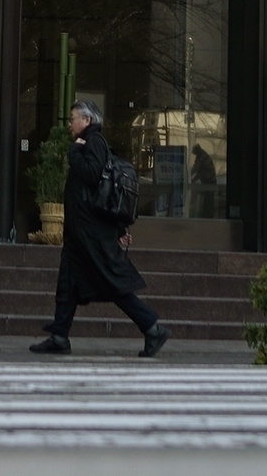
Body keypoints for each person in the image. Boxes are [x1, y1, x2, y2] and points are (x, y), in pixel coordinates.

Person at [30, 99, 169, 357]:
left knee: (111, 284)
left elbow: (93, 175)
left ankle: (152, 327)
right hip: (81, 232)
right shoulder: (90, 143)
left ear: (87, 120)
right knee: (68, 284)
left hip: (89, 233)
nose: (70, 124)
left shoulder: (92, 142)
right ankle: (59, 335)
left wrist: (74, 153)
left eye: (73, 119)